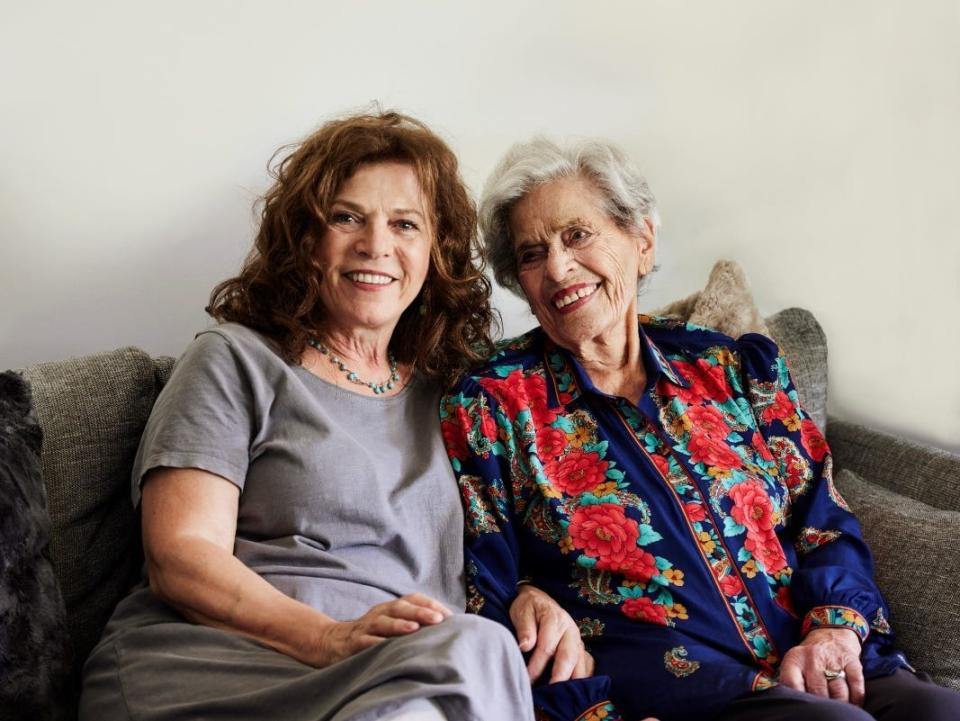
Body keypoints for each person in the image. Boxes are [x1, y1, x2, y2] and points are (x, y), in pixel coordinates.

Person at [79, 112, 592, 721]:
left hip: (404, 681)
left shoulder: (459, 395)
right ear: (305, 238)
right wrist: (327, 639)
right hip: (222, 665)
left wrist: (527, 595)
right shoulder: (236, 361)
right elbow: (180, 555)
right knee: (472, 654)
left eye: (405, 224)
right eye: (347, 217)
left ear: (437, 251)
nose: (376, 245)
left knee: (440, 690)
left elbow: (492, 550)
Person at [440, 136, 960, 721]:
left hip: (822, 660)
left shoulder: (733, 369)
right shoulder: (490, 406)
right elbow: (485, 591)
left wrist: (834, 631)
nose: (558, 268)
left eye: (577, 235)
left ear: (642, 242)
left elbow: (824, 520)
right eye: (532, 254)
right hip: (683, 697)